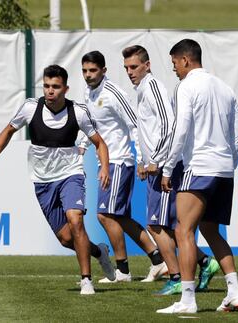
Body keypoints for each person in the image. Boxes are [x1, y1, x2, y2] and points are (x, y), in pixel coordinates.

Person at [0, 64, 116, 295]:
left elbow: (100, 143)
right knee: (66, 239)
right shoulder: (30, 108)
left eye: (55, 86)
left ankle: (86, 280)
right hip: (42, 180)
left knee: (76, 221)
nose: (50, 91)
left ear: (65, 88)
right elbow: (8, 131)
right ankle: (99, 252)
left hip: (70, 174)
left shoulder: (79, 112)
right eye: (46, 86)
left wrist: (104, 167)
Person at [156, 39, 238, 314]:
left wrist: (169, 168)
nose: (174, 70)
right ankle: (235, 292)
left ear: (185, 60)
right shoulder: (225, 87)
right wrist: (228, 165)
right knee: (210, 230)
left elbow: (181, 129)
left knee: (183, 231)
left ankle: (187, 299)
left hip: (198, 168)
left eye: (174, 64)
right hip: (223, 171)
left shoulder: (187, 86)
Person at [122, 45, 218, 295]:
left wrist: (156, 161)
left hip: (165, 167)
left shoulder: (152, 87)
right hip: (157, 166)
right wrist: (143, 159)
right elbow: (145, 130)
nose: (130, 72)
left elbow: (168, 125)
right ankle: (205, 262)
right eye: (127, 68)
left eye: (134, 67)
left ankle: (177, 277)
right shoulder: (141, 90)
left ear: (147, 65)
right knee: (169, 227)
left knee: (156, 226)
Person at [79, 50, 168, 283]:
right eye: (84, 71)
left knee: (105, 215)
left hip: (119, 160)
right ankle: (158, 261)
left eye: (93, 71)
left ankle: (123, 271)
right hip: (107, 161)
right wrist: (80, 147)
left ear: (104, 71)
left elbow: (134, 125)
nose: (88, 75)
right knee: (122, 217)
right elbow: (90, 126)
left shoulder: (113, 93)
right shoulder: (88, 93)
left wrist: (140, 158)